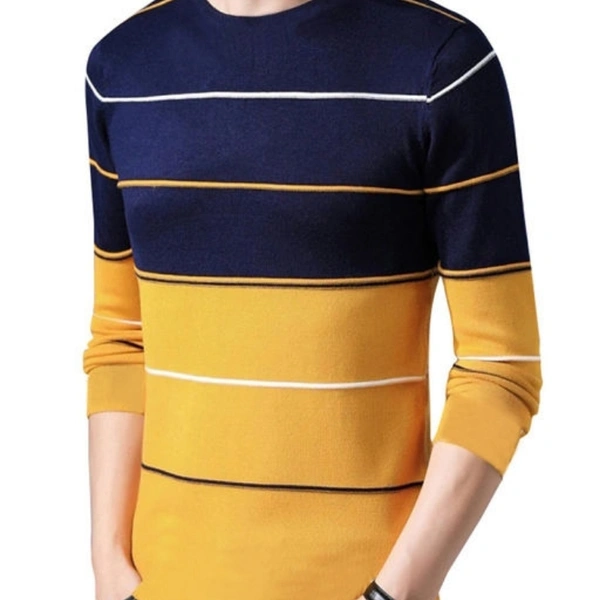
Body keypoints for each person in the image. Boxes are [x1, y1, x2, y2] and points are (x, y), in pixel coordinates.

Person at [81, 0, 543, 599]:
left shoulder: (439, 65)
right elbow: (122, 341)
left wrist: (395, 592)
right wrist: (109, 565)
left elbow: (500, 366)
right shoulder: (123, 67)